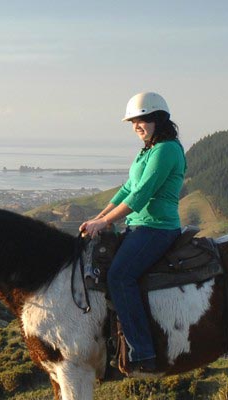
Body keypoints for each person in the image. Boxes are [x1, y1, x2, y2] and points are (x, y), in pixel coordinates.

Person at [79, 92, 187, 376]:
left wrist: (103, 224)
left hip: (157, 227)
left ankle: (143, 353)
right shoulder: (147, 151)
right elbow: (127, 188)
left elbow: (141, 195)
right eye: (133, 122)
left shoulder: (167, 150)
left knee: (119, 276)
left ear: (157, 120)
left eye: (141, 120)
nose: (136, 126)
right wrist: (99, 217)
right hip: (139, 226)